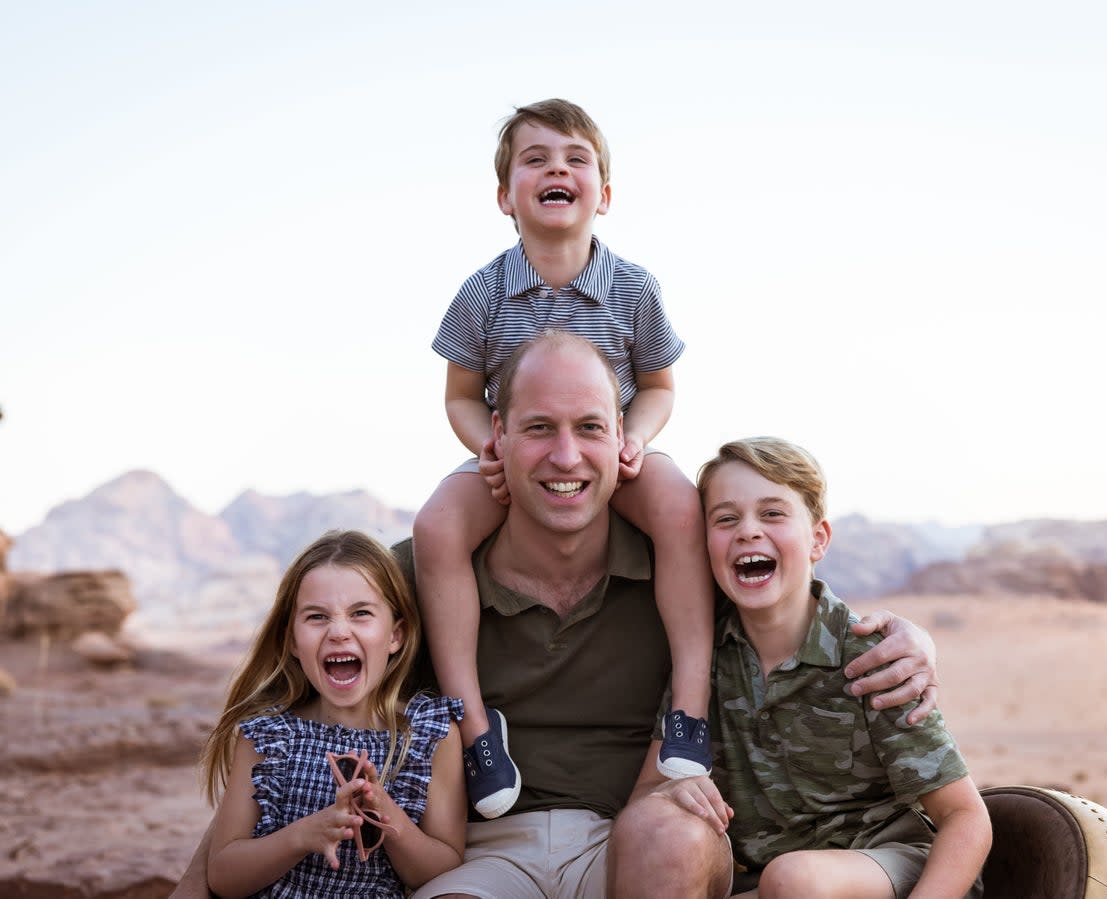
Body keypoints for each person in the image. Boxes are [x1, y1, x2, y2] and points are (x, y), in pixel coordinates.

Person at [170, 331, 940, 899]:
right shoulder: (425, 580)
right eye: (539, 427)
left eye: (589, 428)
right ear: (496, 438)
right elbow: (296, 718)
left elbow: (788, 601)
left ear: (623, 443)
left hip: (635, 841)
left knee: (670, 832)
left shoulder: (681, 570)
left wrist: (914, 638)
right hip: (482, 855)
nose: (565, 456)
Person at [412, 98, 715, 819]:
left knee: (678, 504)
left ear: (603, 195)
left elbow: (661, 384)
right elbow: (458, 395)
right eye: (536, 159)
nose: (557, 168)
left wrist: (635, 435)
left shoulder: (634, 288)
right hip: (517, 458)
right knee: (435, 528)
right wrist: (483, 444)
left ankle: (691, 708)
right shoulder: (483, 292)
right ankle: (477, 729)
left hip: (612, 453)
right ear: (504, 195)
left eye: (576, 158)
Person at [644, 438, 992, 898]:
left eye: (772, 513)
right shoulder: (702, 657)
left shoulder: (873, 659)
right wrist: (672, 793)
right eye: (726, 519)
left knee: (796, 878)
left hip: (891, 868)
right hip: (771, 883)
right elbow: (648, 795)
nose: (748, 531)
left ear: (818, 539)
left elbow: (966, 818)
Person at [199, 530, 467, 897]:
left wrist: (383, 813)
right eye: (317, 617)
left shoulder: (429, 735)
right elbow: (223, 877)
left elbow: (439, 870)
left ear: (395, 635)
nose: (339, 631)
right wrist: (303, 835)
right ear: (292, 640)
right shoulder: (269, 736)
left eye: (361, 614)